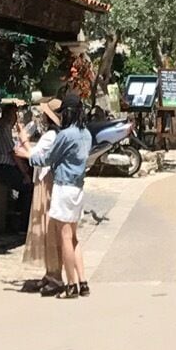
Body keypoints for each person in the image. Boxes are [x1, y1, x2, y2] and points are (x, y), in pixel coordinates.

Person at [44, 95, 98, 297]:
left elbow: (49, 157)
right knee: (74, 237)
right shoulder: (86, 134)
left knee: (65, 237)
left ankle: (71, 285)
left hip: (63, 187)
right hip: (78, 188)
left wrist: (31, 155)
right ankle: (82, 281)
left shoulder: (65, 135)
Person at [21, 96, 63, 291]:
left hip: (45, 182)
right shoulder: (56, 136)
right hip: (47, 180)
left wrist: (24, 142)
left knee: (47, 226)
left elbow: (35, 157)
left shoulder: (50, 137)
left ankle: (54, 273)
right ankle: (50, 271)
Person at [0, 96, 33, 228]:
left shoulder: (3, 128)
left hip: (3, 166)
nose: (17, 118)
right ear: (10, 116)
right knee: (28, 187)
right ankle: (23, 224)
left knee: (26, 179)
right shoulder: (2, 128)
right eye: (15, 114)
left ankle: (18, 215)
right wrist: (25, 173)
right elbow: (13, 153)